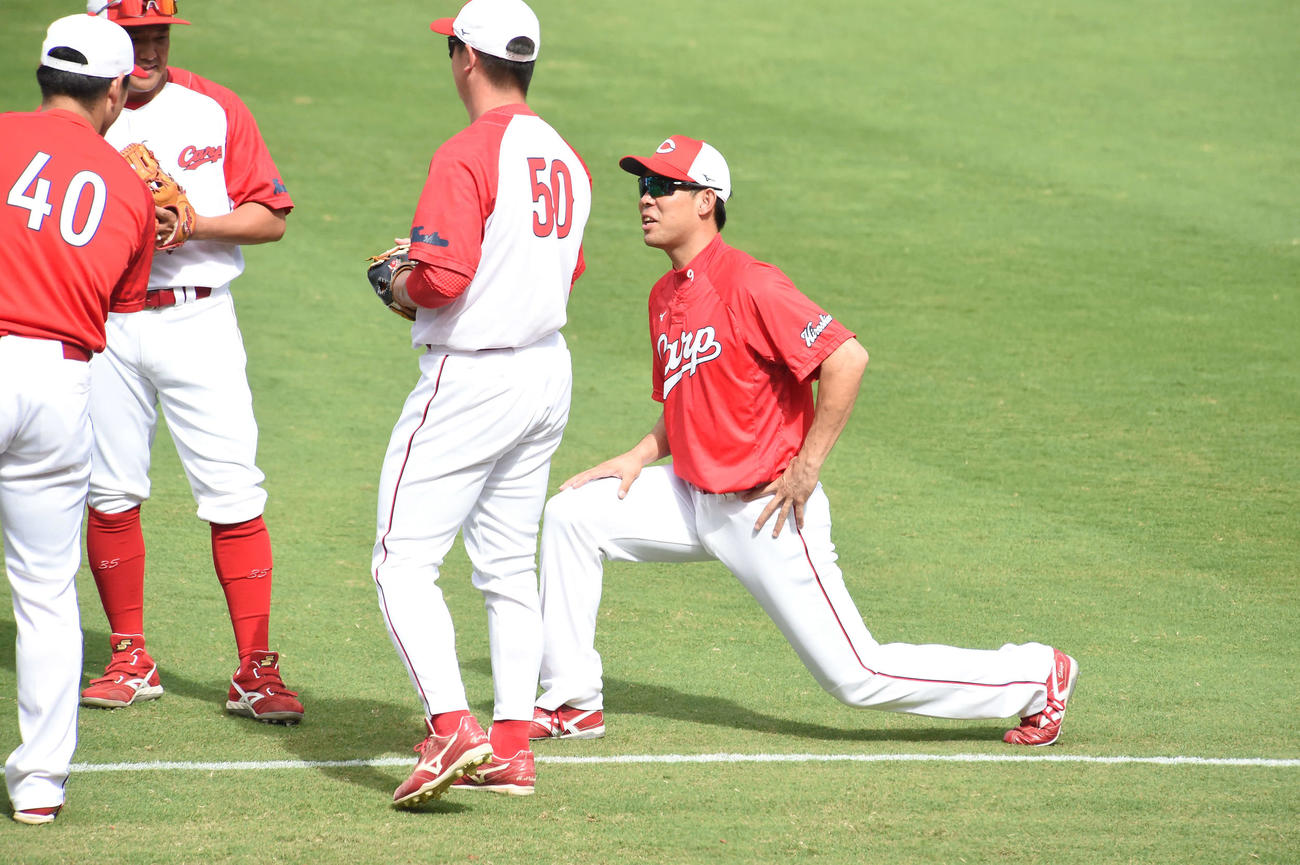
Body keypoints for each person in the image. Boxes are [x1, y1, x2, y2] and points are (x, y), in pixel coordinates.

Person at [529, 136, 1079, 748]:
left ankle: (1036, 677)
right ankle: (572, 702)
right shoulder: (665, 296)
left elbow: (847, 356)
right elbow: (691, 399)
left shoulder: (751, 284)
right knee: (572, 515)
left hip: (767, 511)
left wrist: (807, 466)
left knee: (858, 677)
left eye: (662, 187)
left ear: (707, 201)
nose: (645, 200)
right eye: (642, 187)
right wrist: (638, 454)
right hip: (692, 498)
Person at [371, 0, 591, 808]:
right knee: (507, 566)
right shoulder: (567, 157)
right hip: (545, 374)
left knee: (400, 560)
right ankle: (510, 749)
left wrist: (399, 280)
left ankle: (450, 723)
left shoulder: (467, 152)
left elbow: (444, 278)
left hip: (471, 380)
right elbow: (561, 273)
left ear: (466, 57)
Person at [76, 0, 302, 725]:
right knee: (109, 489)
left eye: (158, 33)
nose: (149, 48)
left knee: (234, 490)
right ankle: (129, 654)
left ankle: (256, 671)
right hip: (108, 321)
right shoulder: (77, 121)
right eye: (134, 36)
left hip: (200, 318)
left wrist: (195, 222)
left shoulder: (213, 107)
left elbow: (270, 215)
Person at [1, 14, 154, 825]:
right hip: (60, 386)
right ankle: (40, 784)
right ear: (118, 92)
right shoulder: (128, 187)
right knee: (46, 592)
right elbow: (119, 302)